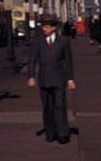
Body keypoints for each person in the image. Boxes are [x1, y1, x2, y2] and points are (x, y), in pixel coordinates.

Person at [28, 14, 76, 145]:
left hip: (59, 78)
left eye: (47, 27)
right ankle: (50, 133)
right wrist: (31, 76)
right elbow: (32, 60)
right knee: (47, 107)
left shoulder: (63, 41)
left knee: (60, 105)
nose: (44, 29)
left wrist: (70, 79)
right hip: (44, 79)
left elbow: (68, 62)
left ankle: (62, 133)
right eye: (43, 27)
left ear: (54, 28)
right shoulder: (38, 42)